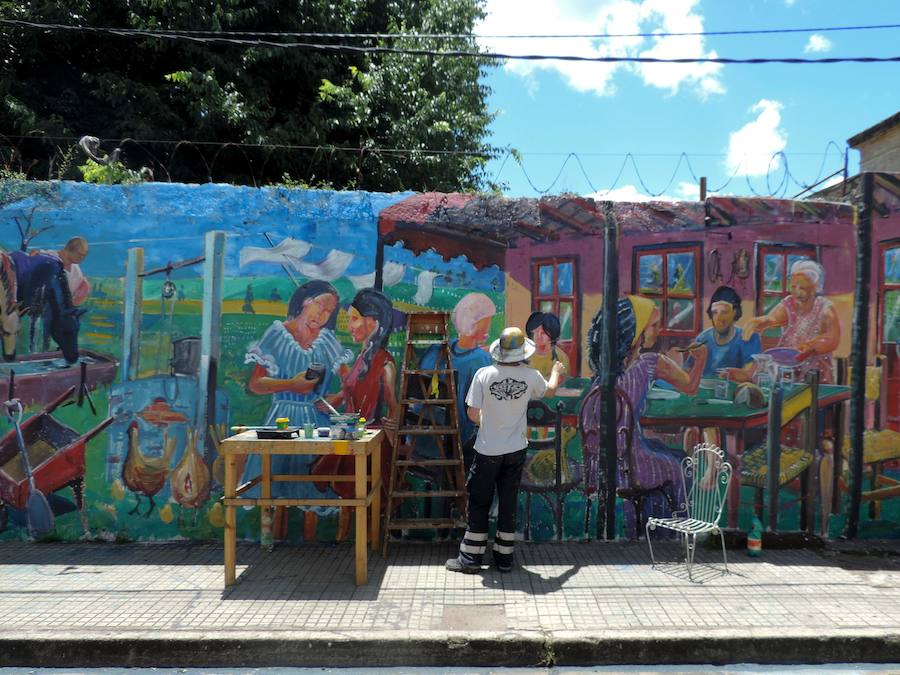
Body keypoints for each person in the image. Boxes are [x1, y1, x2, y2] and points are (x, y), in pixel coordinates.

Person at [583, 295, 708, 538]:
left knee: (660, 448)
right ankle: (677, 533)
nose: (658, 330)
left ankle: (643, 529)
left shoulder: (600, 376)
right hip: (633, 467)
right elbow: (691, 387)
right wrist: (700, 360)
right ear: (635, 332)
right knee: (681, 464)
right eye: (652, 325)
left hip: (601, 467)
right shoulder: (650, 363)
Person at [445, 327, 565, 574]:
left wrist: (489, 421)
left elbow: (472, 414)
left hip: (488, 449)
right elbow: (550, 390)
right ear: (523, 353)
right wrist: (555, 372)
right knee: (508, 501)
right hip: (516, 450)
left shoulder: (484, 374)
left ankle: (471, 558)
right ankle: (504, 558)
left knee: (479, 501)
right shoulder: (531, 375)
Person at [242, 280, 353, 540]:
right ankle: (275, 545)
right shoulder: (277, 334)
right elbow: (256, 383)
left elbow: (349, 382)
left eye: (329, 312)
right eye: (320, 307)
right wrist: (291, 384)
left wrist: (335, 397)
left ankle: (309, 550)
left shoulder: (327, 341)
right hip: (282, 420)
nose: (323, 316)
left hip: (317, 419)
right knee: (275, 484)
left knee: (311, 485)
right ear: (305, 301)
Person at [316, 288, 399, 502]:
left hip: (369, 442)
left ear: (374, 322)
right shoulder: (363, 356)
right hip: (351, 435)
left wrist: (393, 436)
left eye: (354, 319)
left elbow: (392, 407)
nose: (350, 326)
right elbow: (354, 388)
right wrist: (336, 399)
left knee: (347, 486)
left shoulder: (385, 363)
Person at [419, 292, 495, 468]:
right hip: (456, 440)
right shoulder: (481, 361)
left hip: (421, 435)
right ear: (475, 324)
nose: (489, 327)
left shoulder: (437, 349)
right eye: (487, 321)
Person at [744, 259, 840, 383]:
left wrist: (811, 347)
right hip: (786, 366)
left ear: (816, 288)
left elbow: (833, 339)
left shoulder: (825, 308)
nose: (797, 292)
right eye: (793, 286)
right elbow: (772, 318)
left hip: (814, 371)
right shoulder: (789, 302)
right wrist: (760, 322)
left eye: (803, 288)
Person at [693, 286, 761, 382]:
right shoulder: (702, 338)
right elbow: (689, 372)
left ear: (735, 312)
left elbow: (751, 375)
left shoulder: (748, 338)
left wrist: (733, 375)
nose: (719, 318)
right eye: (715, 312)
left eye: (724, 312)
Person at [36, 236, 91, 305]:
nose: (82, 258)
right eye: (79, 254)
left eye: (84, 255)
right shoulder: (49, 257)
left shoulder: (76, 268)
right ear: (69, 249)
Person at [525, 310, 570, 381]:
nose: (538, 336)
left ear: (552, 334)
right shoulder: (523, 355)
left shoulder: (560, 357)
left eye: (543, 333)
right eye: (536, 332)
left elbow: (559, 382)